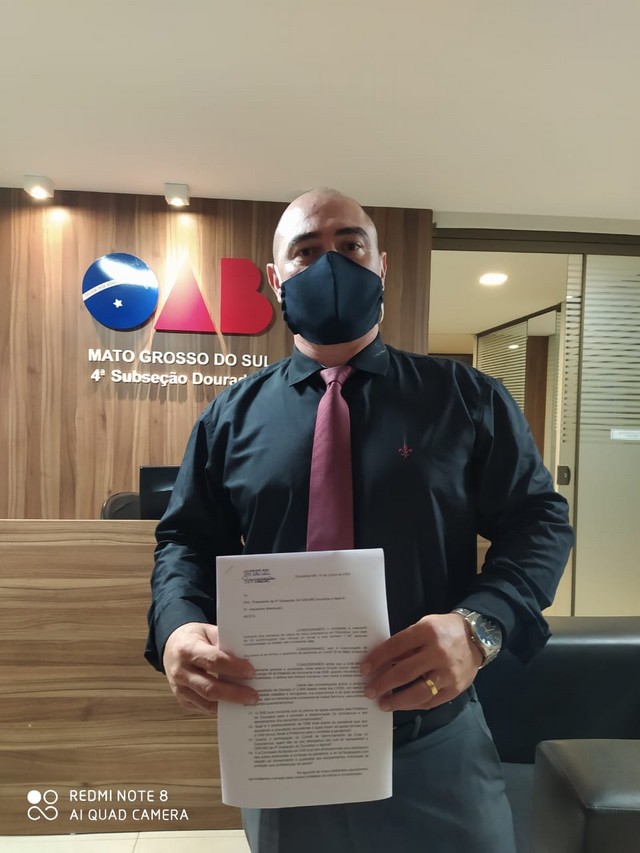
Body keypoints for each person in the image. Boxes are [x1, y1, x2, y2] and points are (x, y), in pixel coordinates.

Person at [145, 187, 573, 853]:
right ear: (275, 278)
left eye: (350, 245)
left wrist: (480, 626)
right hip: (282, 741)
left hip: (435, 739)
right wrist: (176, 627)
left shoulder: (465, 399)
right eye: (307, 251)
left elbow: (539, 521)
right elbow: (185, 542)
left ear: (381, 265)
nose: (331, 264)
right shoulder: (229, 418)